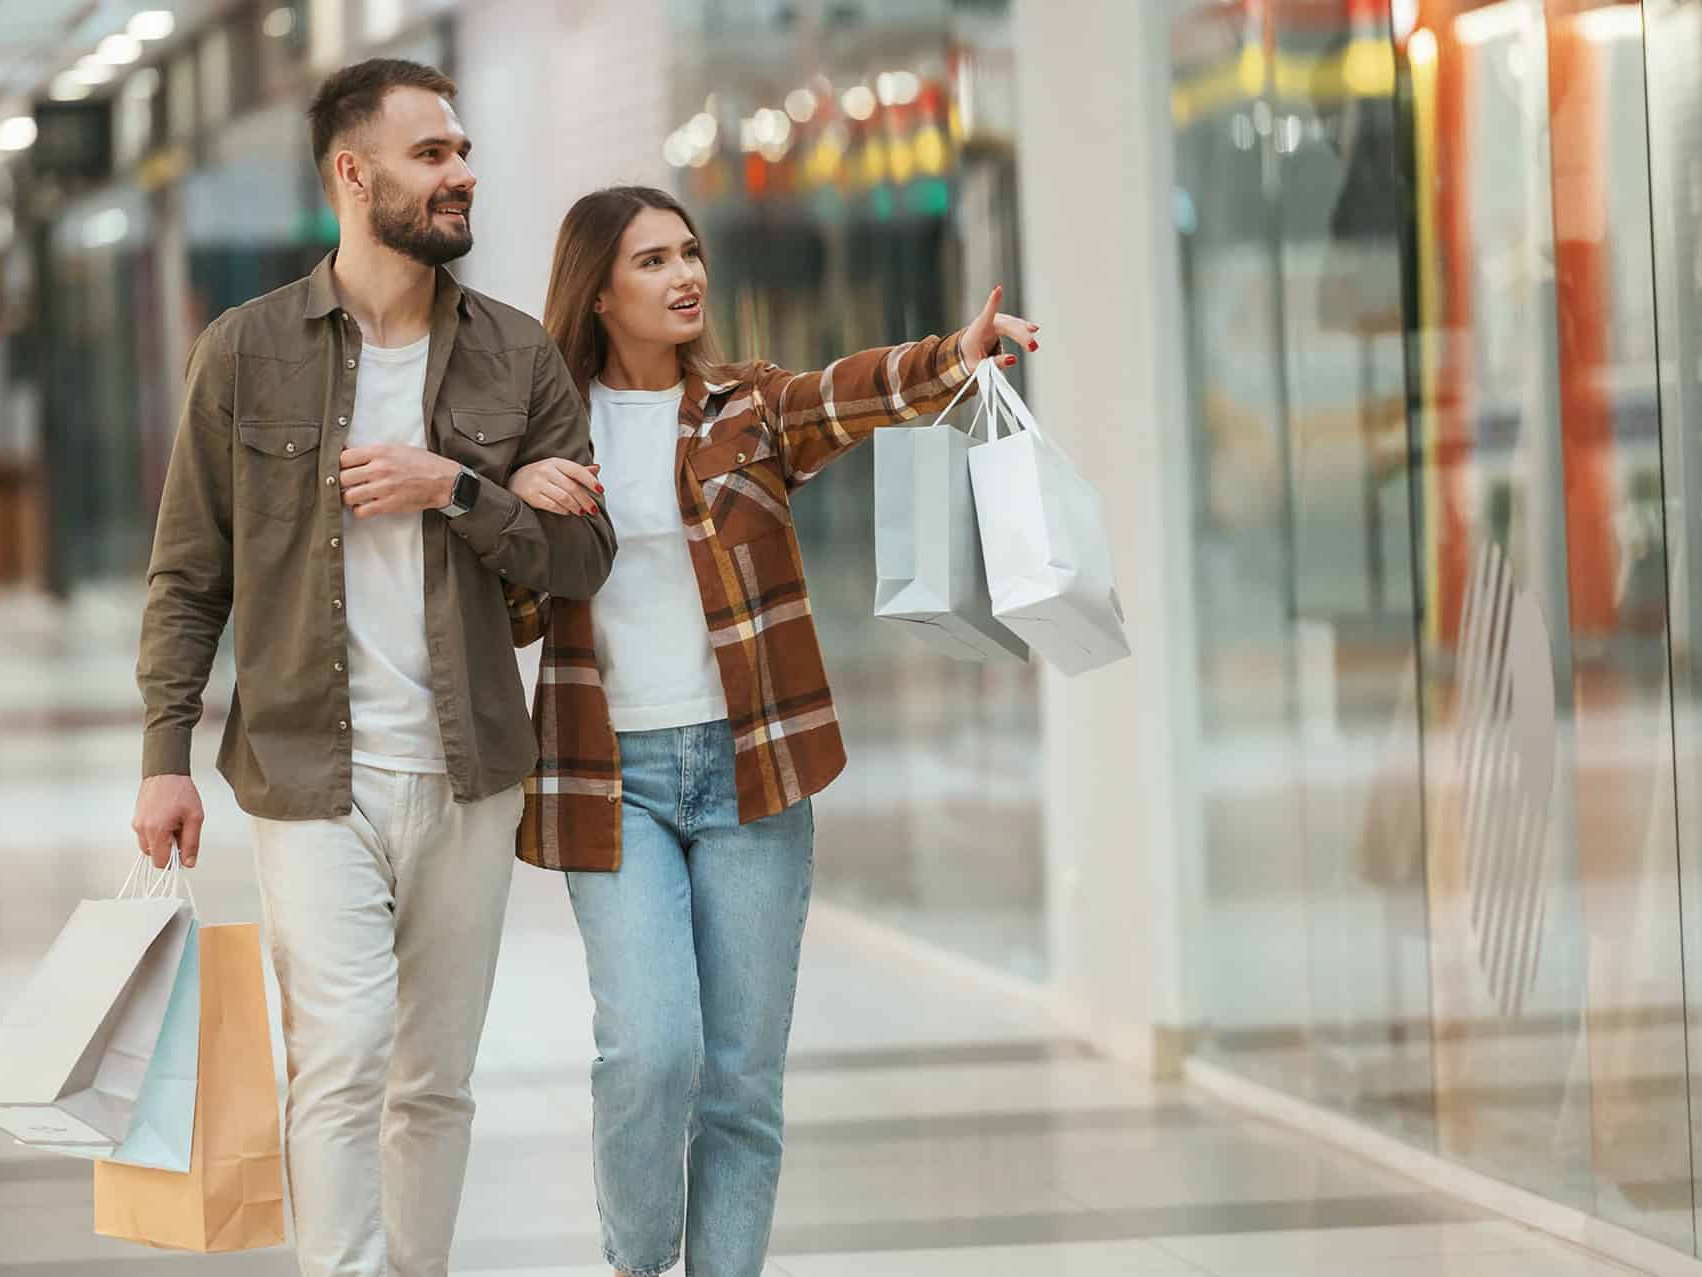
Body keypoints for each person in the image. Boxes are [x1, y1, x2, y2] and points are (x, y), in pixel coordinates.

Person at [130, 58, 616, 1277]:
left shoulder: (515, 356)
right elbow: (191, 572)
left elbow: (583, 558)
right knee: (341, 1052)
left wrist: (455, 488)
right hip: (308, 769)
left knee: (434, 1078)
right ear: (354, 174)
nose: (461, 173)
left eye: (461, 150)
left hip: (470, 769)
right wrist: (162, 759)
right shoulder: (245, 353)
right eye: (432, 154)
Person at [503, 185, 1039, 1277]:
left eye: (690, 253)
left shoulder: (746, 406)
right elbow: (508, 610)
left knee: (742, 1080)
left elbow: (853, 393)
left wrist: (957, 353)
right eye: (651, 261)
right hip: (614, 782)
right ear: (597, 290)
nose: (684, 275)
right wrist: (514, 495)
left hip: (754, 767)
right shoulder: (549, 430)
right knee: (650, 1048)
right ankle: (638, 1258)